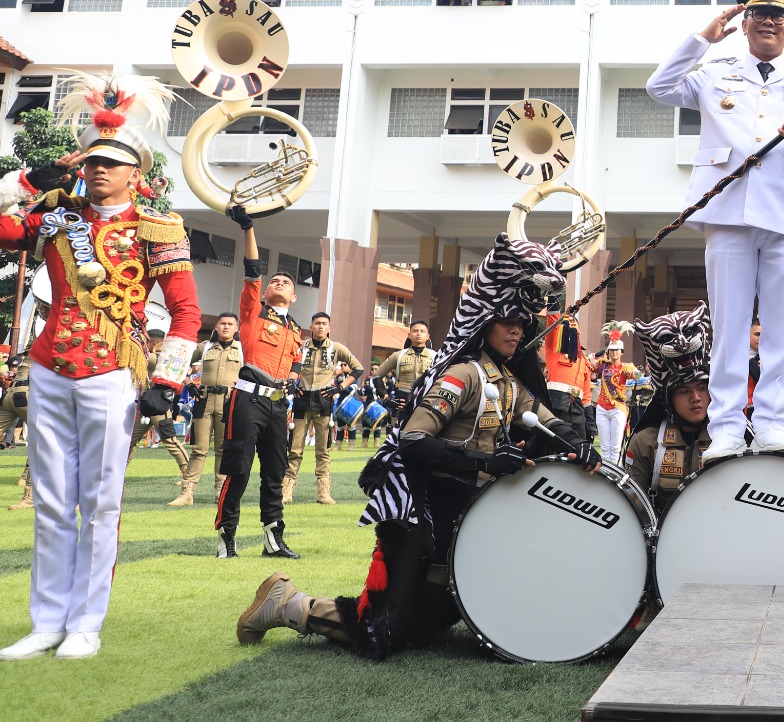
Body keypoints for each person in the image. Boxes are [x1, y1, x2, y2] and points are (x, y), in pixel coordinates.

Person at [236, 237, 599, 657]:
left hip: (463, 509)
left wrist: (579, 444)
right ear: (485, 323)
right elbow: (412, 441)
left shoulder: (505, 379)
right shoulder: (462, 375)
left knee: (426, 628)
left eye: (522, 322)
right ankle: (287, 603)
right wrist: (486, 461)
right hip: (422, 508)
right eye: (507, 320)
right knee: (386, 634)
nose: (517, 329)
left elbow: (543, 416)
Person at [0, 73, 200, 662]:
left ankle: (86, 622)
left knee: (102, 501)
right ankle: (46, 622)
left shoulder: (156, 228)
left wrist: (167, 378)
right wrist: (27, 180)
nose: (97, 172)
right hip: (50, 366)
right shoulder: (57, 217)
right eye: (91, 164)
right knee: (54, 500)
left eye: (111, 164)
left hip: (113, 370)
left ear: (135, 173)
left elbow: (187, 313)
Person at [646, 0, 784, 462]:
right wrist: (701, 39)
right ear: (746, 19)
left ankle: (774, 423)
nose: (769, 22)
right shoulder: (715, 70)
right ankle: (729, 427)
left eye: (779, 15)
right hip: (729, 212)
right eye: (759, 13)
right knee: (730, 329)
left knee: (782, 329)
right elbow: (660, 86)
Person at [215, 205, 304, 561]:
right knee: (238, 469)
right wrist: (248, 228)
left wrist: (295, 378)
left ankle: (273, 540)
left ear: (295, 297)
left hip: (277, 404)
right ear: (265, 293)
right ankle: (227, 538)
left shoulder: (297, 330)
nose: (278, 283)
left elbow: (296, 360)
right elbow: (252, 270)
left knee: (275, 472)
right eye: (274, 282)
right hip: (247, 399)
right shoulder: (253, 310)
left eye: (286, 282)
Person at [623, 341, 712, 517]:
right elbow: (631, 505)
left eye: (701, 388)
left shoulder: (730, 438)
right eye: (684, 391)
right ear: (668, 399)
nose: (696, 398)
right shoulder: (645, 441)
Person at [285, 312, 362, 505]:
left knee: (323, 450)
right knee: (294, 449)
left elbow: (358, 369)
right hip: (302, 401)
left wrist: (340, 387)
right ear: (310, 327)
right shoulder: (301, 346)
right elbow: (287, 365)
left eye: (324, 324)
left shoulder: (337, 348)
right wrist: (292, 385)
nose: (320, 327)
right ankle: (286, 491)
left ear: (329, 328)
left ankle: (323, 492)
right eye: (317, 323)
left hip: (323, 402)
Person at [179, 314, 244, 502]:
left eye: (230, 324)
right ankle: (187, 492)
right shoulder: (204, 346)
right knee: (199, 448)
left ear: (236, 328)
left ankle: (220, 491)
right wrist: (188, 383)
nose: (226, 327)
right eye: (223, 323)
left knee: (224, 449)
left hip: (229, 401)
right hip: (204, 400)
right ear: (216, 326)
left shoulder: (242, 349)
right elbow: (181, 362)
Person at [128, 329, 192, 491]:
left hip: (157, 405)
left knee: (170, 441)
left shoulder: (155, 357)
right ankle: (119, 470)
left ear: (154, 343)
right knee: (130, 441)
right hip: (145, 405)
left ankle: (188, 474)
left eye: (147, 341)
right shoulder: (161, 358)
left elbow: (137, 355)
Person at [366, 320, 433, 424]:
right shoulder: (398, 355)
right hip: (402, 402)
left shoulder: (436, 357)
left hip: (426, 401)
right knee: (398, 437)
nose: (419, 333)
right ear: (409, 335)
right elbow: (376, 376)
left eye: (422, 331)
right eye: (415, 331)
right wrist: (386, 397)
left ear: (428, 336)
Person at [594, 325, 638, 465]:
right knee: (605, 447)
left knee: (615, 447)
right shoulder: (602, 365)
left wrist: (635, 373)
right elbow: (589, 363)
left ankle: (616, 471)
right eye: (611, 350)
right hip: (601, 407)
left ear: (621, 352)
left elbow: (636, 376)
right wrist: (598, 354)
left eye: (616, 350)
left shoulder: (626, 367)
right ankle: (606, 471)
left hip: (617, 408)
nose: (614, 353)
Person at [1, 356, 32, 510]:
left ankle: (23, 478)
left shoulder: (30, 355)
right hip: (28, 395)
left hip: (11, 394)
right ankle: (29, 496)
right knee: (41, 442)